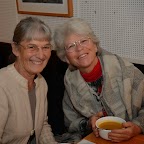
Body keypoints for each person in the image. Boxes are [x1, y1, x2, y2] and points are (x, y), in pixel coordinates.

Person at [53, 18, 144, 143]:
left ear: (95, 45)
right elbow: (70, 122)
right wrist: (88, 124)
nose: (79, 48)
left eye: (84, 41)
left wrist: (138, 126)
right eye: (71, 46)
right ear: (66, 58)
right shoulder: (70, 83)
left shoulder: (126, 71)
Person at [0, 17, 57, 144]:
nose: (41, 55)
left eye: (46, 47)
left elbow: (42, 125)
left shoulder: (41, 83)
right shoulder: (2, 86)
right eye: (32, 47)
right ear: (15, 49)